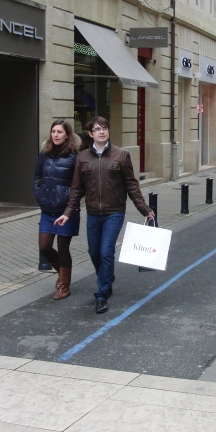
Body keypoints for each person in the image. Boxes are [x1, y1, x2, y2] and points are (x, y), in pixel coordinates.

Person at [55, 116, 155, 314]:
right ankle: (107, 278)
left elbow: (131, 185)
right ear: (90, 134)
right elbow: (76, 189)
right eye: (97, 129)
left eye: (105, 128)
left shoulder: (121, 155)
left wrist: (145, 209)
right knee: (94, 252)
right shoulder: (82, 157)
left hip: (114, 212)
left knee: (106, 251)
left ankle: (102, 293)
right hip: (93, 213)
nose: (102, 131)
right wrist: (67, 213)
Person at [34, 120, 81, 300]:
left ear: (67, 135)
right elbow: (36, 176)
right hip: (47, 208)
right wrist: (39, 194)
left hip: (66, 210)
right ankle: (61, 274)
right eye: (53, 131)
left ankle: (64, 285)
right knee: (45, 246)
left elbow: (78, 184)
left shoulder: (74, 156)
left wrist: (70, 201)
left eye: (59, 132)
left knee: (63, 248)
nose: (55, 135)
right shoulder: (44, 154)